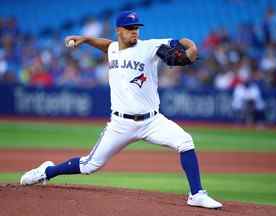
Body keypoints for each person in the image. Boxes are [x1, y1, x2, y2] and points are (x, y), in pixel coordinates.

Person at [20, 11, 222, 209]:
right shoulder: (113, 48)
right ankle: (47, 171)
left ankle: (196, 194)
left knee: (185, 141)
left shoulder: (149, 47)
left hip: (152, 121)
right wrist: (86, 39)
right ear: (119, 30)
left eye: (137, 28)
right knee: (89, 166)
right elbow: (107, 45)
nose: (134, 31)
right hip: (120, 124)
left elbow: (180, 44)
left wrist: (191, 47)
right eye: (130, 28)